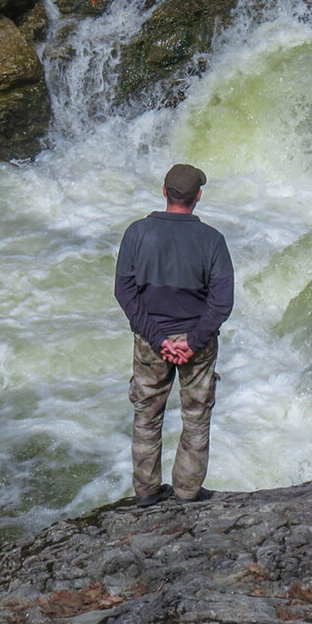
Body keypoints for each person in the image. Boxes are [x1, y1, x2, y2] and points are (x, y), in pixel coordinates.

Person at [114, 163, 234, 508]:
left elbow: (124, 292)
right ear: (198, 197)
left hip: (151, 341)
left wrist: (157, 338)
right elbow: (222, 301)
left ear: (164, 191)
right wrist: (192, 341)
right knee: (196, 415)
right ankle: (187, 492)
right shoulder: (213, 240)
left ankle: (147, 493)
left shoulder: (137, 233)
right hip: (196, 343)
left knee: (147, 414)